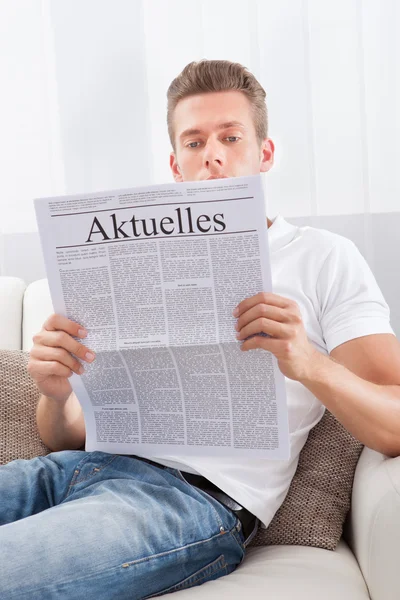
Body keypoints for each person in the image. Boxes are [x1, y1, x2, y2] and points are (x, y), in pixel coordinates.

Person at [1, 59, 400, 600]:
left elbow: (394, 422)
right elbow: (63, 435)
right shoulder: (128, 259)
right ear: (175, 164)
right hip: (73, 470)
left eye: (230, 137)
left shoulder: (323, 257)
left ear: (265, 153)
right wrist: (55, 393)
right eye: (193, 143)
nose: (211, 154)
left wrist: (308, 362)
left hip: (191, 503)